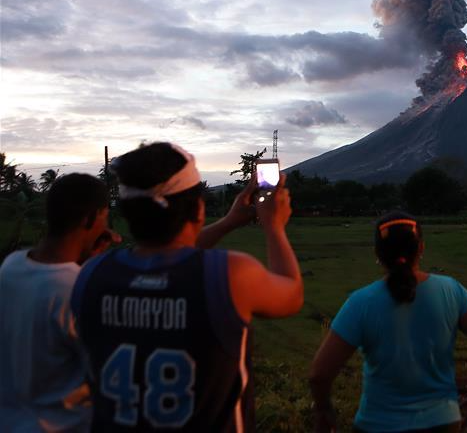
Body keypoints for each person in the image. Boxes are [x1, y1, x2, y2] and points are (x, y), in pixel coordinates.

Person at [71, 142, 303, 431]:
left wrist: (228, 222)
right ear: (198, 208)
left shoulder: (92, 275)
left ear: (128, 212)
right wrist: (274, 226)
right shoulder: (231, 274)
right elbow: (292, 294)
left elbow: (166, 258)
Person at [309, 211, 467, 433]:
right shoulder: (450, 290)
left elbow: (319, 374)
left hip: (377, 426)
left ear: (378, 253)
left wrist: (323, 410)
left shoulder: (360, 303)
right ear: (421, 248)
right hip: (443, 423)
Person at [0, 173, 118, 432]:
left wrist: (87, 255)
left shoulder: (10, 266)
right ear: (91, 218)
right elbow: (109, 380)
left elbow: (50, 281)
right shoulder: (82, 291)